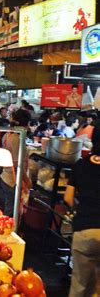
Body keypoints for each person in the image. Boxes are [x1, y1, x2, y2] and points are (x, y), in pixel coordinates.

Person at [64, 121, 100, 297]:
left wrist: (80, 209)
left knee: (79, 285)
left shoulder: (80, 164)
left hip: (84, 228)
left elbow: (68, 197)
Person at [0, 109, 32, 217]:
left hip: (6, 176)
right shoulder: (17, 139)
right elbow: (17, 164)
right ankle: (8, 230)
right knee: (11, 210)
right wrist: (27, 180)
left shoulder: (7, 135)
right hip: (12, 180)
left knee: (9, 205)